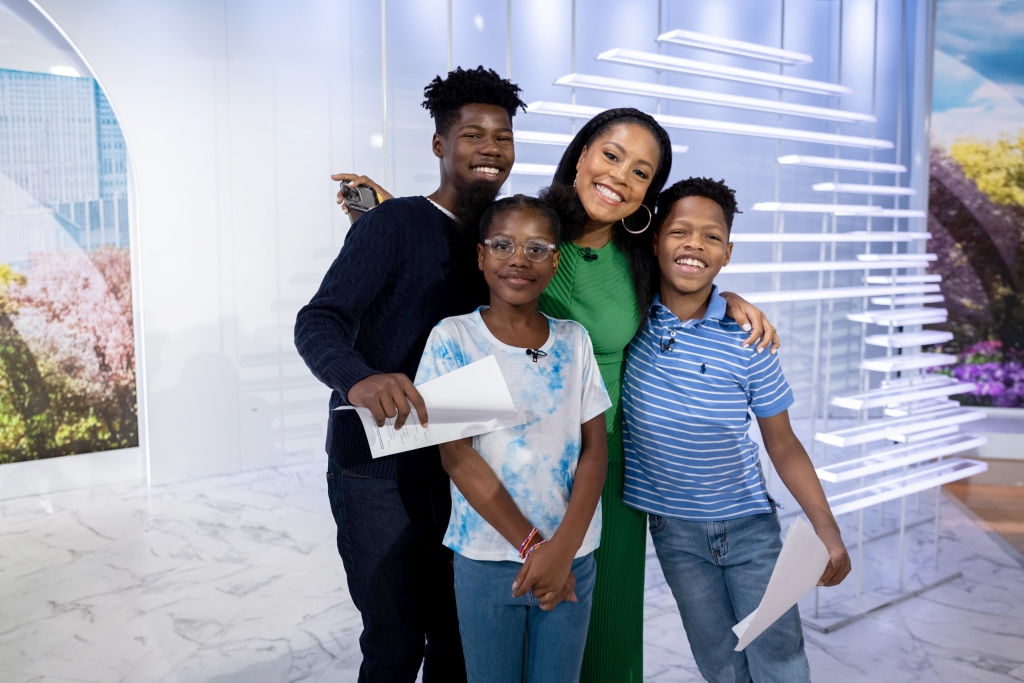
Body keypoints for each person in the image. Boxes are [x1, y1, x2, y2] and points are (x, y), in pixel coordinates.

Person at [334, 107, 782, 683]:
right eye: (611, 155)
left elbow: (690, 275)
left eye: (641, 172)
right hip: (502, 463)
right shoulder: (534, 234)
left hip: (606, 463)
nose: (620, 176)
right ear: (582, 153)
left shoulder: (638, 257)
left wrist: (728, 300)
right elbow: (475, 257)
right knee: (492, 638)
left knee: (605, 634)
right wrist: (393, 214)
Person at [294, 65, 527, 683]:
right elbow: (317, 321)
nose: (490, 148)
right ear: (439, 144)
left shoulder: (503, 240)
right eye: (472, 135)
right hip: (379, 465)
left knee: (458, 638)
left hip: (465, 462)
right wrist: (357, 378)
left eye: (502, 137)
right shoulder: (391, 224)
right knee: (395, 643)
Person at [621, 177, 852, 682]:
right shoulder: (629, 323)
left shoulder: (749, 339)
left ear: (727, 253)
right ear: (655, 240)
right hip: (675, 534)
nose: (694, 245)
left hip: (750, 528)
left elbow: (783, 444)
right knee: (719, 664)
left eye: (711, 237)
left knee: (779, 659)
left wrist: (827, 528)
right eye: (680, 231)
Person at [415, 194, 610, 682]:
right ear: (481, 256)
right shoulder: (454, 339)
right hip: (488, 558)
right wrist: (533, 548)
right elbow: (457, 457)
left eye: (537, 248)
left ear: (556, 261)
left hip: (571, 556)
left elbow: (594, 450)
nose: (519, 259)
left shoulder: (574, 340)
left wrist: (562, 550)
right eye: (503, 245)